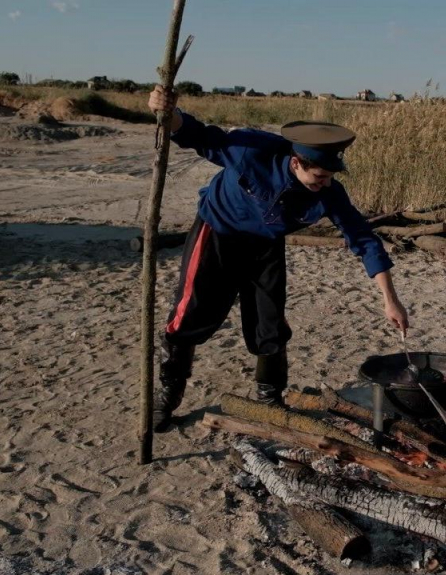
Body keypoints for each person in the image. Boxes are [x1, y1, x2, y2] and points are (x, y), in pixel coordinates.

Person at [147, 85, 409, 432]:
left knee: (270, 325)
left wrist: (391, 301)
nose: (326, 184)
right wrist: (168, 113)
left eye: (331, 177)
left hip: (265, 246)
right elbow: (198, 136)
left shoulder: (329, 191)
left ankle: (269, 399)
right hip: (218, 234)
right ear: (296, 162)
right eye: (320, 177)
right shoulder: (251, 151)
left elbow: (362, 239)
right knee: (190, 317)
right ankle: (168, 396)